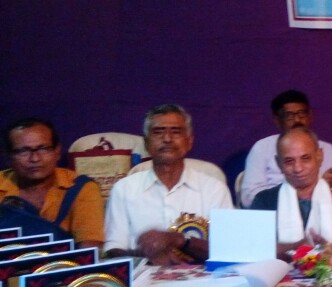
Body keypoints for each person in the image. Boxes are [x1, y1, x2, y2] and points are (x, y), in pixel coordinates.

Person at [104, 104, 233, 264]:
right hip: (143, 277)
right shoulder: (124, 189)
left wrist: (181, 240)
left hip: (204, 277)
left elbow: (229, 251)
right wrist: (148, 259)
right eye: (158, 132)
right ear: (146, 143)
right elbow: (113, 251)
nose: (167, 139)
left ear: (189, 141)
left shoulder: (214, 189)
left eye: (176, 131)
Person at [250, 128, 332, 259]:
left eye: (305, 158)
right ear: (279, 163)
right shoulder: (264, 201)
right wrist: (300, 247)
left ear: (319, 157)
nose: (298, 168)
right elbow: (254, 249)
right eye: (289, 161)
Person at [1, 118, 105, 248]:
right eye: (23, 151)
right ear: (8, 157)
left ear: (57, 152)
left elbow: (90, 246)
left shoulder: (80, 187)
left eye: (43, 149)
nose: (35, 158)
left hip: (63, 261)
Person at [240, 90, 332, 207]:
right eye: (289, 116)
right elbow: (249, 196)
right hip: (275, 212)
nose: (297, 120)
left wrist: (324, 190)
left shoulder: (327, 149)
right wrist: (308, 190)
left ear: (310, 116)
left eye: (301, 113)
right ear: (277, 120)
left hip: (323, 211)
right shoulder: (262, 148)